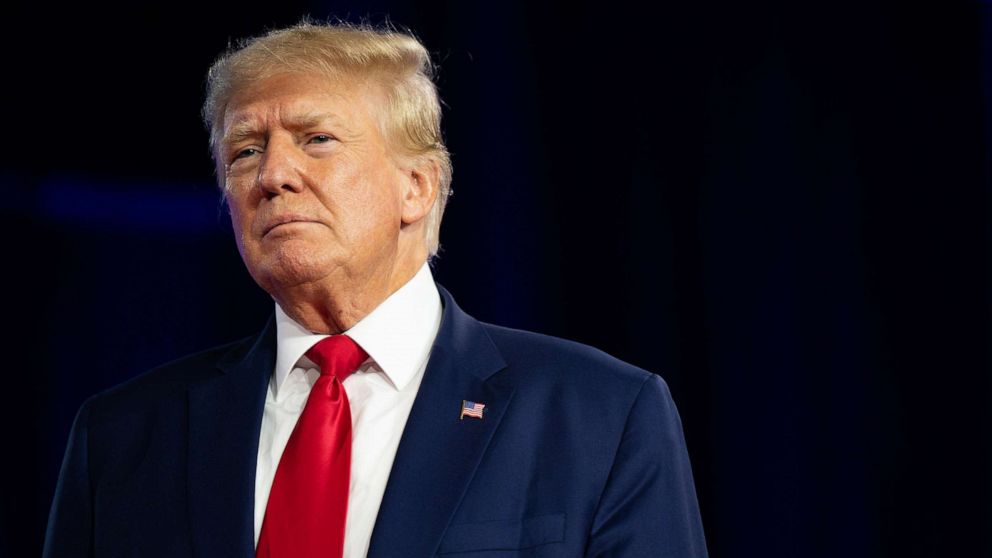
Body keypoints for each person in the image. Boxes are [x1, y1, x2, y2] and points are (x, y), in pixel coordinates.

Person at [43, 21, 708, 558]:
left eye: (317, 139)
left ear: (415, 186)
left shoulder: (602, 416)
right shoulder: (124, 438)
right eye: (245, 150)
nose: (273, 174)